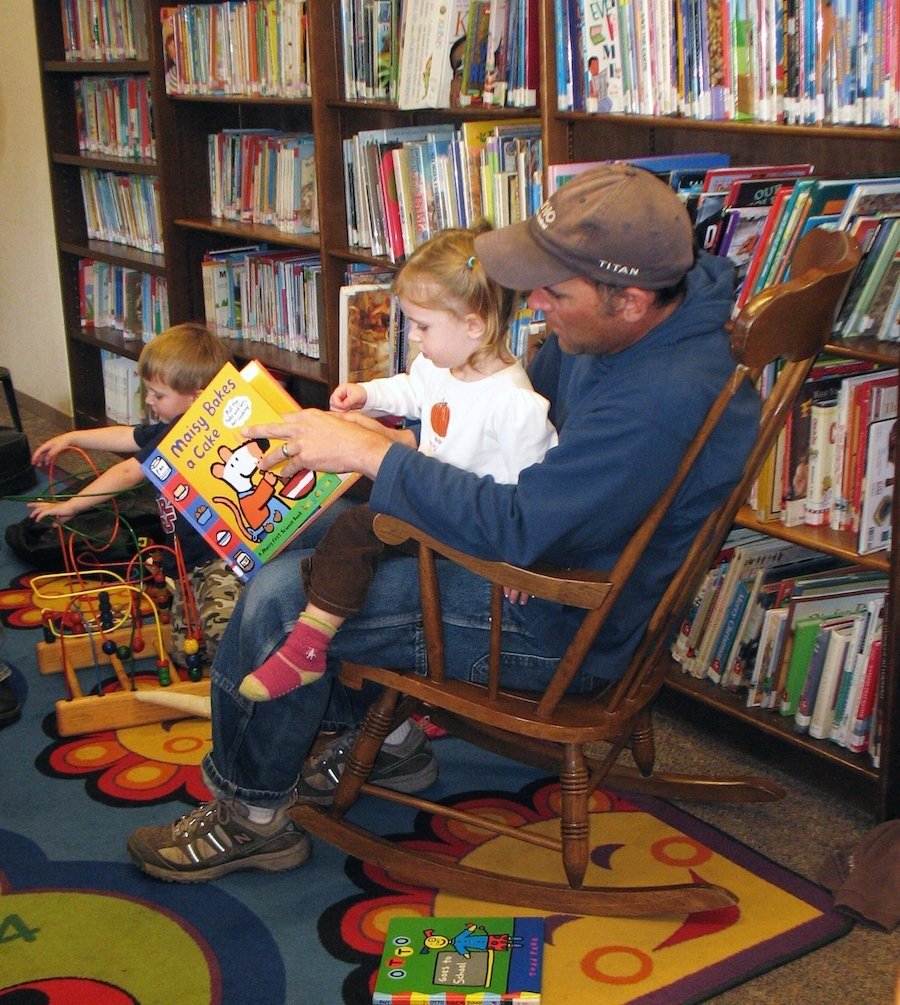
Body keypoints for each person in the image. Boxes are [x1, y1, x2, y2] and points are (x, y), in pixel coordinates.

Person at [126, 164, 760, 883]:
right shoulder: (640, 324)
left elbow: (520, 524)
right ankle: (386, 735)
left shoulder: (658, 399)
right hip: (546, 557)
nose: (536, 304)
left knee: (280, 597)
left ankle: (252, 812)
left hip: (560, 620)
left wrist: (375, 452)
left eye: (557, 290)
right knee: (304, 528)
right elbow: (522, 452)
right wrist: (402, 446)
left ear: (632, 300)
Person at [238, 227, 558, 702]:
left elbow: (533, 496)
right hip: (429, 503)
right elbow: (411, 389)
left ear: (474, 324)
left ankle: (306, 648)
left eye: (424, 326)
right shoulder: (441, 367)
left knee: (355, 528)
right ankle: (309, 612)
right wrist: (367, 396)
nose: (415, 338)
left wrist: (521, 564)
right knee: (343, 513)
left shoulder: (516, 405)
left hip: (468, 536)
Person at [29, 323, 238, 670]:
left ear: (198, 397)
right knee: (184, 652)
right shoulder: (170, 428)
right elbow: (128, 437)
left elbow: (128, 471)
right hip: (187, 564)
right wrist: (73, 437)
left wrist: (71, 505)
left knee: (219, 638)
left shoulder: (180, 435)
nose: (149, 401)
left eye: (158, 395)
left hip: (220, 560)